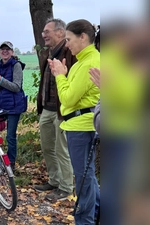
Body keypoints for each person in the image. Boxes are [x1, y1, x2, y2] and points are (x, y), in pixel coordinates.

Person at [48, 19, 100, 224]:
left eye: (69, 39)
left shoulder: (89, 63)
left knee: (84, 179)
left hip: (81, 127)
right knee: (88, 177)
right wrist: (64, 76)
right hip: (79, 125)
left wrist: (60, 76)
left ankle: (85, 221)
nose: (67, 44)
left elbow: (68, 99)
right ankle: (98, 214)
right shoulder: (82, 62)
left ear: (83, 37)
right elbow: (71, 93)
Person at [33, 18, 76, 202]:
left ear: (60, 32)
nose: (43, 35)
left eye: (46, 31)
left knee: (62, 149)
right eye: (43, 32)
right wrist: (41, 105)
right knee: (47, 147)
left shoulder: (70, 53)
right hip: (47, 109)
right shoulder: (49, 54)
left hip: (62, 110)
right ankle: (54, 180)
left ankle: (66, 187)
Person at [0, 41, 25, 171]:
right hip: (0, 105)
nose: (5, 51)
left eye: (8, 49)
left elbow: (16, 87)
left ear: (12, 52)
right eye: (2, 49)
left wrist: (1, 80)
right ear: (0, 52)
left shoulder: (16, 66)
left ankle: (11, 163)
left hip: (14, 106)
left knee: (10, 136)